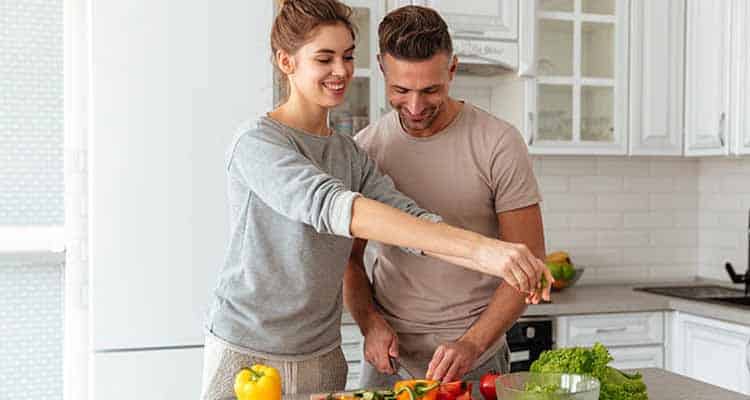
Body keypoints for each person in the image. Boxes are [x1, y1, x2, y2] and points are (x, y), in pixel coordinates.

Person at [200, 1, 551, 398]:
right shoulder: (257, 142)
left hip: (321, 354)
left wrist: (499, 257)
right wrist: (483, 250)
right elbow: (334, 206)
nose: (341, 70)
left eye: (347, 56)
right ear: (286, 62)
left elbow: (411, 220)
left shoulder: (349, 154)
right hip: (249, 351)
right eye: (324, 58)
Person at [344, 5, 548, 389]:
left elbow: (530, 261)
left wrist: (472, 343)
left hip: (475, 357)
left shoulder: (498, 143)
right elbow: (348, 261)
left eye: (431, 90)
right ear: (382, 69)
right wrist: (370, 324)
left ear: (452, 70)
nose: (416, 107)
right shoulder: (366, 149)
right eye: (401, 90)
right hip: (388, 360)